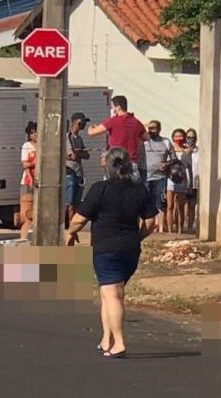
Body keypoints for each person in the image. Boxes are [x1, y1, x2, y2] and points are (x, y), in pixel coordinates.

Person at [66, 148, 158, 359]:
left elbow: (79, 219)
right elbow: (151, 221)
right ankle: (106, 338)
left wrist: (71, 233)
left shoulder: (100, 189)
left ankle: (120, 342)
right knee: (108, 293)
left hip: (106, 250)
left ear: (107, 165)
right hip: (130, 250)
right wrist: (138, 237)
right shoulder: (139, 190)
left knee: (113, 294)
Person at [87, 96, 149, 182]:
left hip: (115, 163)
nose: (113, 109)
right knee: (131, 189)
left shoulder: (113, 121)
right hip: (132, 163)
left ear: (118, 107)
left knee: (112, 188)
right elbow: (147, 137)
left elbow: (91, 133)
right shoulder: (136, 122)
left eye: (113, 107)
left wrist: (91, 127)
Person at [143, 120, 174, 232]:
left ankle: (160, 228)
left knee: (160, 203)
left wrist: (167, 164)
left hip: (160, 177)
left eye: (154, 128)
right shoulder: (144, 141)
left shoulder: (166, 142)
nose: (151, 130)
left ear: (159, 129)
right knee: (145, 202)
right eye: (149, 128)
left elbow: (174, 158)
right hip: (145, 176)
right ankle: (146, 227)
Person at [66, 113, 90, 228]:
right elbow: (73, 156)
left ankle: (74, 225)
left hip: (79, 173)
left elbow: (87, 155)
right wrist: (79, 154)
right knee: (69, 202)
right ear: (76, 122)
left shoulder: (79, 138)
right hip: (69, 173)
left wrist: (79, 154)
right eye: (83, 122)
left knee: (76, 202)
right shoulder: (67, 137)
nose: (84, 125)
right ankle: (69, 226)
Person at [166, 128, 193, 234]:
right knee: (170, 206)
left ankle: (180, 230)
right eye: (176, 136)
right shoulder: (170, 150)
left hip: (182, 180)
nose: (178, 138)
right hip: (170, 179)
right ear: (173, 138)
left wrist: (190, 183)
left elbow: (189, 168)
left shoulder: (187, 151)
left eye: (181, 136)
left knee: (181, 206)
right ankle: (170, 230)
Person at [18, 121, 37, 240]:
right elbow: (25, 164)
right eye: (33, 133)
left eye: (36, 132)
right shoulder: (26, 145)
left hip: (40, 182)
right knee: (27, 214)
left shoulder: (43, 145)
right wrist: (34, 163)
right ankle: (23, 238)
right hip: (28, 182)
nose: (35, 134)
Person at [185, 128, 199, 233]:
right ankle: (182, 226)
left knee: (192, 205)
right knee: (183, 205)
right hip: (184, 182)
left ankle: (189, 227)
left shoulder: (199, 151)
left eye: (193, 137)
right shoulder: (182, 150)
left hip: (195, 182)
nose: (191, 139)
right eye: (189, 137)